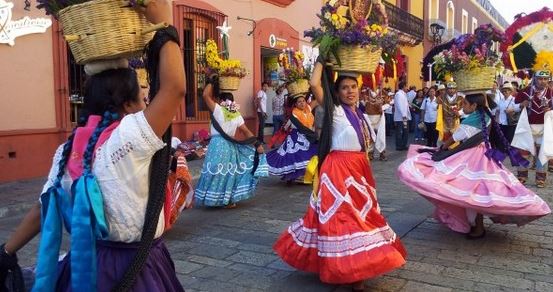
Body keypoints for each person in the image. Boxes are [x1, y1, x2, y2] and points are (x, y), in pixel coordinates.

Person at [1, 2, 186, 290]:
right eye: (141, 100)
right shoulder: (127, 139)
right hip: (137, 269)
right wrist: (164, 27)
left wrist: (6, 251)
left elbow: (43, 208)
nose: (145, 107)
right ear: (126, 104)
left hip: (85, 267)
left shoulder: (67, 151)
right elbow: (174, 88)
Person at [273, 61, 406, 291]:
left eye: (353, 86)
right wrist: (322, 59)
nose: (350, 91)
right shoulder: (335, 111)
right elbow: (315, 84)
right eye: (344, 87)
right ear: (336, 92)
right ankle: (352, 271)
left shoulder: (361, 114)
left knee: (362, 216)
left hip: (359, 169)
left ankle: (356, 265)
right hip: (338, 170)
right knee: (343, 218)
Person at [398, 93, 551, 239]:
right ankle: (474, 223)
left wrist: (442, 147)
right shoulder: (485, 116)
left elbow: (454, 138)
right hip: (485, 153)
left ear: (473, 105)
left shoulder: (470, 121)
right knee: (479, 190)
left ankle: (477, 226)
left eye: (464, 103)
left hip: (471, 156)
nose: (462, 105)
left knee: (469, 191)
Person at [194, 77, 267, 208]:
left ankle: (213, 199)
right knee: (228, 173)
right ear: (232, 101)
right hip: (229, 147)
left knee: (214, 171)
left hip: (216, 145)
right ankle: (226, 200)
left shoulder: (218, 110)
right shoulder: (236, 114)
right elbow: (245, 131)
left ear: (220, 101)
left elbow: (205, 95)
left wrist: (211, 80)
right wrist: (257, 144)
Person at [513, 69, 553, 187]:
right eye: (540, 79)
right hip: (527, 126)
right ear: (534, 79)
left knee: (543, 153)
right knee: (524, 152)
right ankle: (522, 177)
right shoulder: (525, 92)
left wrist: (550, 111)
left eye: (545, 79)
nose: (543, 81)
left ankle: (540, 179)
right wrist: (521, 104)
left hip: (545, 127)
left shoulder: (551, 93)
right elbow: (512, 107)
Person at [267, 93, 318, 183]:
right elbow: (286, 127)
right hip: (296, 138)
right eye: (299, 102)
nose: (302, 103)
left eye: (303, 101)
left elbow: (317, 99)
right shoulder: (294, 114)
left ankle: (305, 175)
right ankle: (295, 176)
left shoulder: (308, 109)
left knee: (310, 155)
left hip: (308, 136)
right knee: (296, 157)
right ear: (295, 104)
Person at [365, 87, 388, 160]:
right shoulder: (365, 92)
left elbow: (388, 103)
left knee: (381, 136)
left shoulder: (383, 92)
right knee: (370, 136)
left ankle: (382, 153)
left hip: (379, 118)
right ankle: (370, 154)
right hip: (369, 118)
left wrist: (382, 108)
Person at [394, 81, 411, 150]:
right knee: (400, 132)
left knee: (405, 131)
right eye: (406, 86)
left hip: (404, 117)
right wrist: (404, 115)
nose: (407, 88)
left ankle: (403, 145)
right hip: (401, 118)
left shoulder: (403, 94)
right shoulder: (398, 94)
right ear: (403, 86)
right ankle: (399, 146)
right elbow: (399, 105)